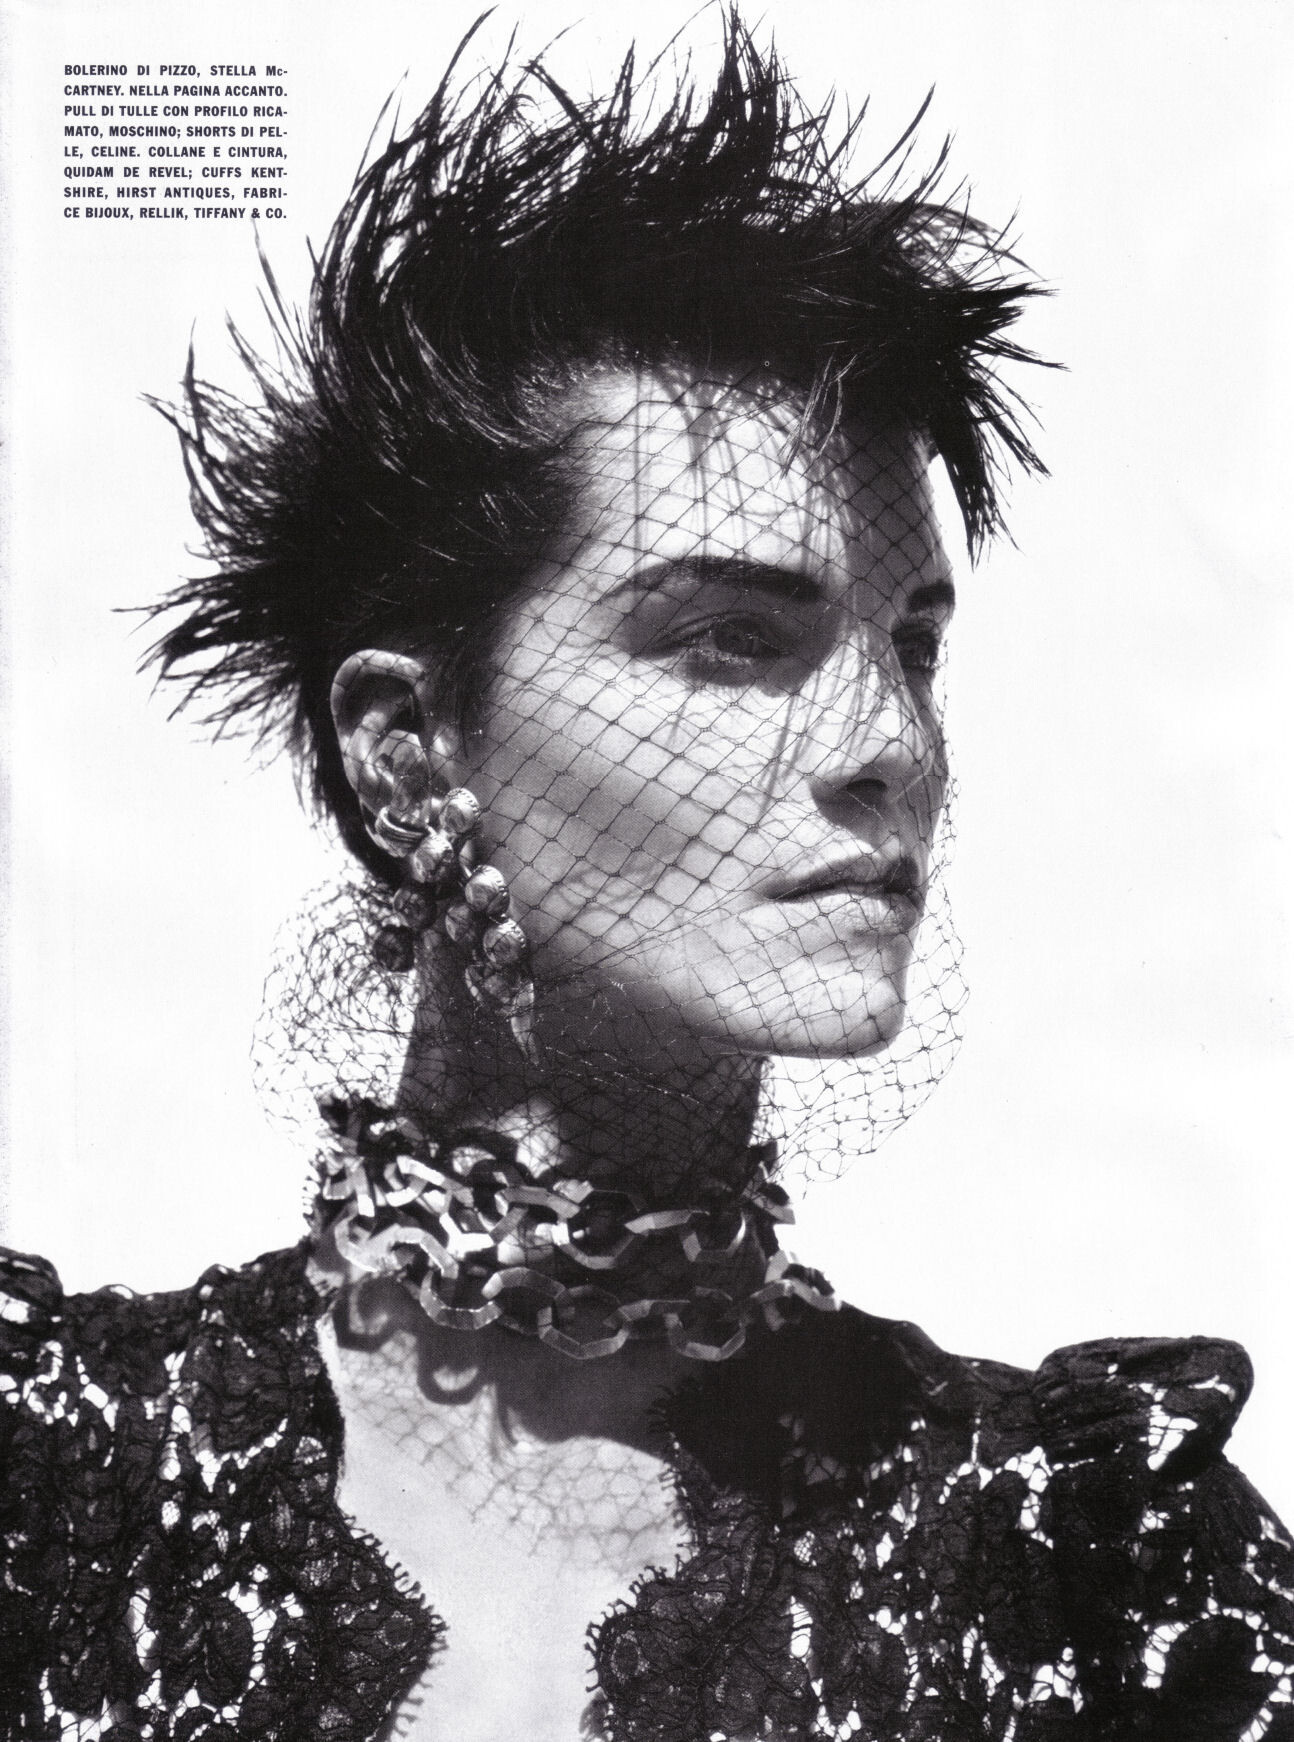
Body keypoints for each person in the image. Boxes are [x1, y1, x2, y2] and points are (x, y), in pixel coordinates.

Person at [3, 18, 1292, 1742]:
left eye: (910, 648)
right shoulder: (53, 1478)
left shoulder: (1081, 1557)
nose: (890, 745)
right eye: (731, 640)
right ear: (407, 751)